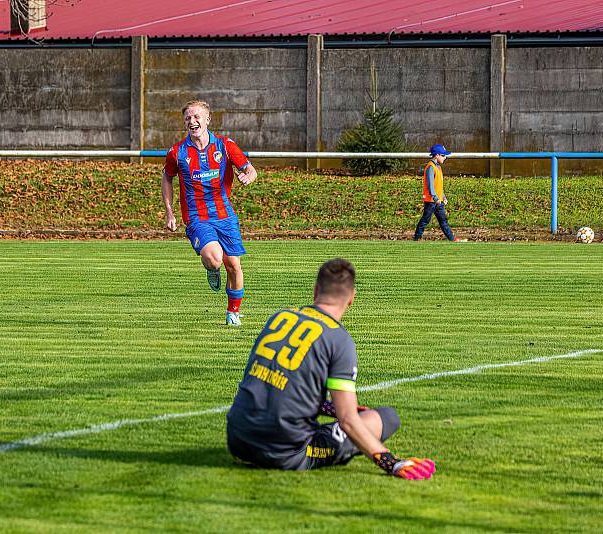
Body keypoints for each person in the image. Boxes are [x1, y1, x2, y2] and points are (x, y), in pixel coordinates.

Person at [226, 258, 436, 479]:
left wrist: (326, 407)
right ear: (352, 297)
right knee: (385, 418)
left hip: (237, 440)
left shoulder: (280, 317)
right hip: (283, 453)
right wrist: (391, 462)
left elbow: (268, 383)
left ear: (316, 289)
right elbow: (348, 421)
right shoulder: (339, 340)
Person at [161, 100, 258, 326]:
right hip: (196, 217)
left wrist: (248, 176)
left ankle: (232, 311)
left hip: (225, 215)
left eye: (196, 117)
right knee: (215, 260)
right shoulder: (177, 152)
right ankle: (211, 269)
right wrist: (169, 211)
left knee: (234, 266)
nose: (192, 122)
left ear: (207, 119)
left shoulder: (225, 146)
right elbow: (167, 177)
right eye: (188, 118)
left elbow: (249, 168)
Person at [413, 143, 459, 242]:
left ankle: (452, 239)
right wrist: (435, 198)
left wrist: (443, 197)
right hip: (431, 200)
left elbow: (439, 185)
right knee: (426, 219)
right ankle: (417, 237)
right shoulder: (431, 167)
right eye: (443, 155)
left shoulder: (438, 167)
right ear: (436, 155)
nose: (445, 157)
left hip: (438, 200)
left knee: (443, 220)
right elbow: (430, 186)